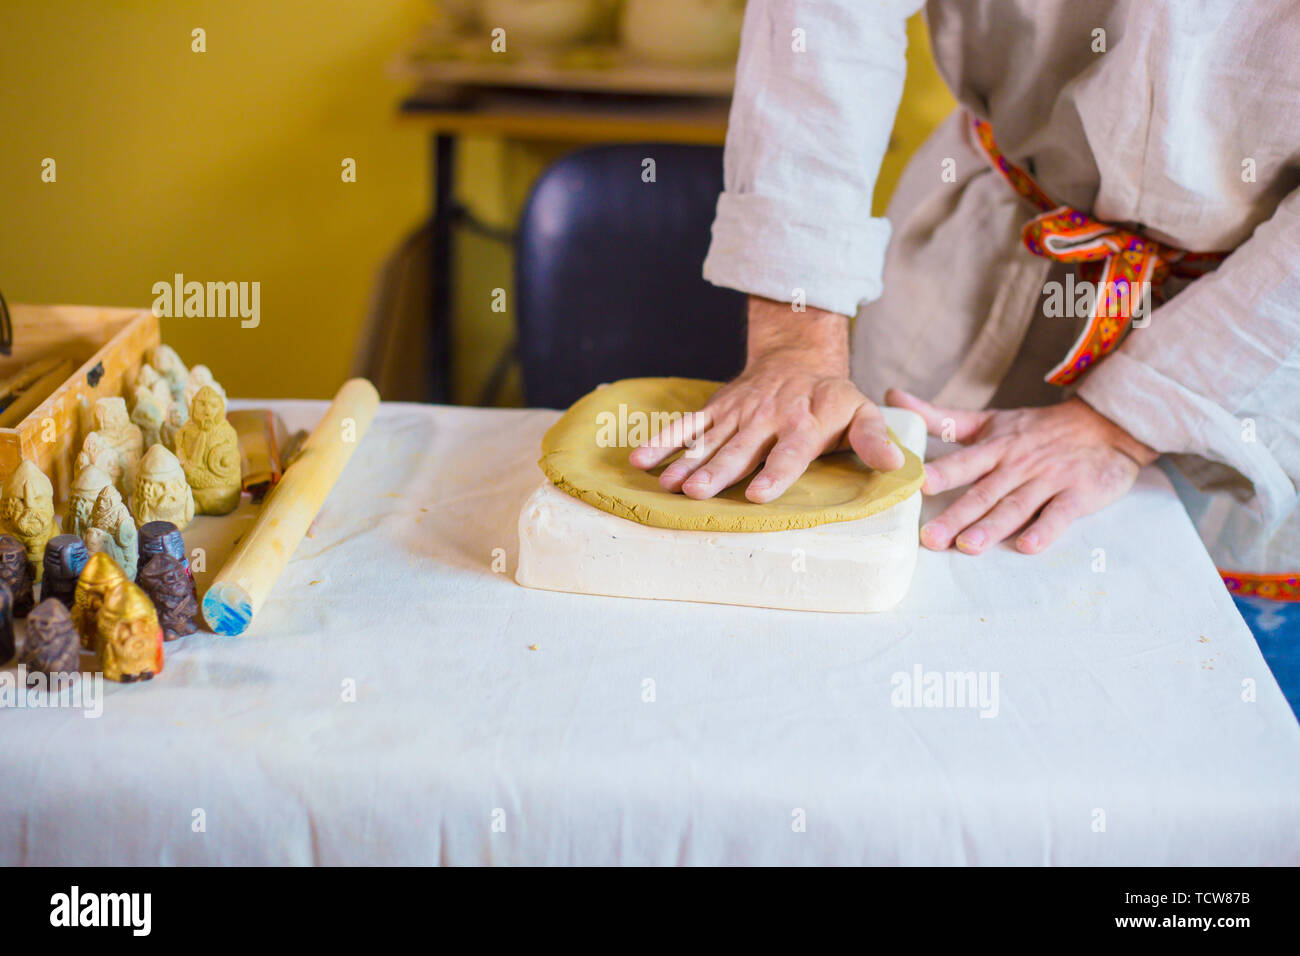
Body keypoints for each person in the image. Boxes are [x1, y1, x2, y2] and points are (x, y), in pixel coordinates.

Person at [630, 0, 1300, 605]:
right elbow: (829, 17)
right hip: (982, 251)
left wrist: (1131, 419)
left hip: (1256, 335)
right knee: (892, 585)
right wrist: (795, 339)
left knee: (1178, 644)